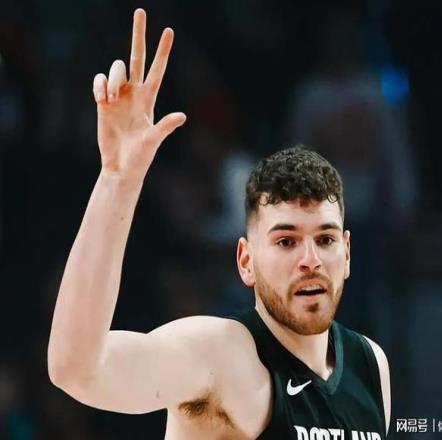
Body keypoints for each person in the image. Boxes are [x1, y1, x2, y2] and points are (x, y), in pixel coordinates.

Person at [47, 8, 391, 440]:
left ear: (347, 253)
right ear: (246, 261)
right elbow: (76, 369)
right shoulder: (217, 354)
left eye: (324, 239)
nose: (310, 259)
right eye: (286, 241)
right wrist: (117, 180)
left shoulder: (371, 364)